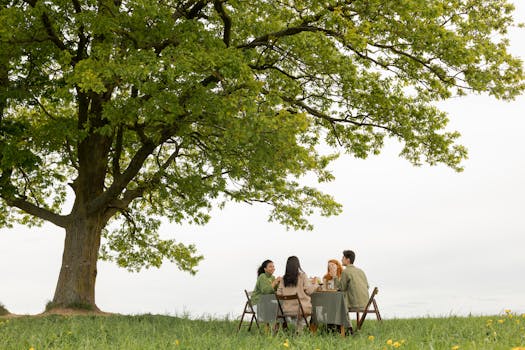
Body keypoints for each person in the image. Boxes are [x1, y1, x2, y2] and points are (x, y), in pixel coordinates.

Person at [277, 256, 318, 322]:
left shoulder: (283, 279)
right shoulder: (302, 276)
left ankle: (297, 330)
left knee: (296, 324)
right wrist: (315, 284)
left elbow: (279, 293)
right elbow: (309, 291)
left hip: (287, 310)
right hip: (302, 309)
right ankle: (300, 329)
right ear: (298, 265)